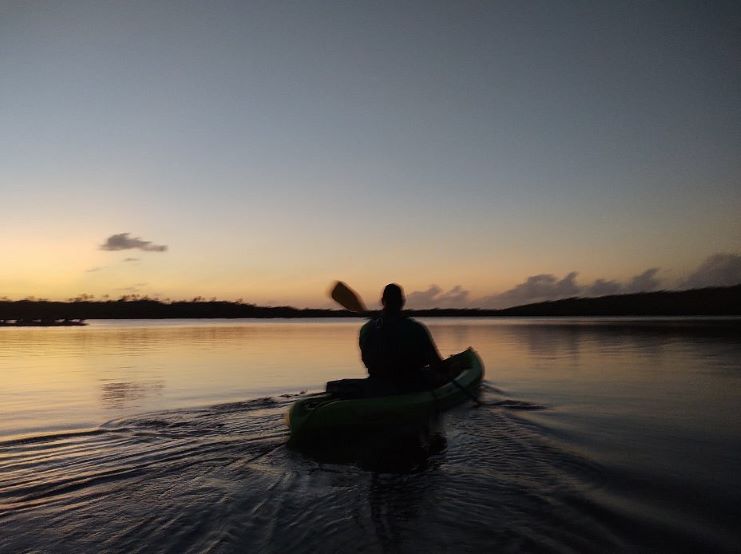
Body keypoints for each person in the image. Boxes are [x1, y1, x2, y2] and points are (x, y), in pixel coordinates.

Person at [359, 283, 444, 393]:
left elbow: (366, 360)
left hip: (377, 383)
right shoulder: (416, 328)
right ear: (402, 302)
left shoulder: (366, 329)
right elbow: (436, 363)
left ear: (382, 301)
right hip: (410, 384)